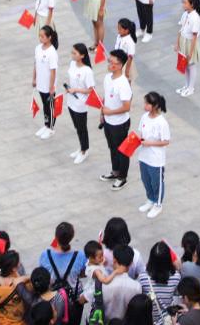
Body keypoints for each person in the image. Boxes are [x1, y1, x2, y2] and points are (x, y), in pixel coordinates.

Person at [100, 49, 134, 190]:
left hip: (120, 123)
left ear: (120, 65)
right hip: (108, 121)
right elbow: (106, 96)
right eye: (109, 61)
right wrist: (102, 113)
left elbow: (127, 106)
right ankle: (115, 171)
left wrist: (111, 112)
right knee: (112, 148)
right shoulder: (108, 78)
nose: (110, 65)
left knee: (122, 151)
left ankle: (122, 177)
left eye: (113, 63)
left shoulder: (123, 83)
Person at [136, 92, 170, 219]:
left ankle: (158, 204)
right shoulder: (144, 117)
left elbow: (166, 141)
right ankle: (150, 198)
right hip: (144, 156)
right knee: (146, 180)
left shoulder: (162, 122)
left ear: (155, 106)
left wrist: (149, 143)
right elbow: (142, 135)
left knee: (157, 183)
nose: (144, 105)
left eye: (147, 103)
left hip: (156, 159)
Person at [66, 44, 96, 165]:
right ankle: (81, 147)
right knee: (77, 127)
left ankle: (84, 150)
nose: (72, 55)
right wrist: (70, 89)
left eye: (75, 53)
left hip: (80, 103)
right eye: (72, 52)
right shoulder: (72, 64)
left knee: (82, 128)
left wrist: (76, 90)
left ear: (82, 55)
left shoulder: (87, 71)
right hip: (71, 100)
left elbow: (90, 90)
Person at [33, 25, 60, 140]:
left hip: (48, 85)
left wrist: (51, 86)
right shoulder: (38, 48)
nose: (40, 38)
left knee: (50, 106)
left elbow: (53, 71)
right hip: (40, 83)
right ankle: (46, 124)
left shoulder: (52, 52)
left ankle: (51, 128)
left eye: (43, 36)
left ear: (49, 38)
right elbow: (35, 64)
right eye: (39, 36)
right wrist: (34, 78)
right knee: (44, 105)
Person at [176, 0, 200, 97]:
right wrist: (177, 43)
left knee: (191, 65)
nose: (183, 4)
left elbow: (195, 36)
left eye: (185, 3)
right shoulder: (185, 14)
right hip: (183, 40)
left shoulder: (195, 17)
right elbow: (181, 29)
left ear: (192, 4)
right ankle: (186, 85)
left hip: (190, 43)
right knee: (184, 64)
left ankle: (191, 88)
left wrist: (191, 52)